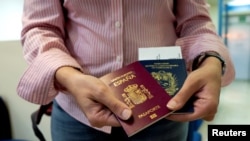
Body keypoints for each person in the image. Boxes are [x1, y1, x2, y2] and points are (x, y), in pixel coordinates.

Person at [17, 0, 235, 141]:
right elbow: (40, 27)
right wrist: (68, 76)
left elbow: (196, 22)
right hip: (77, 114)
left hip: (162, 112)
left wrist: (211, 61)